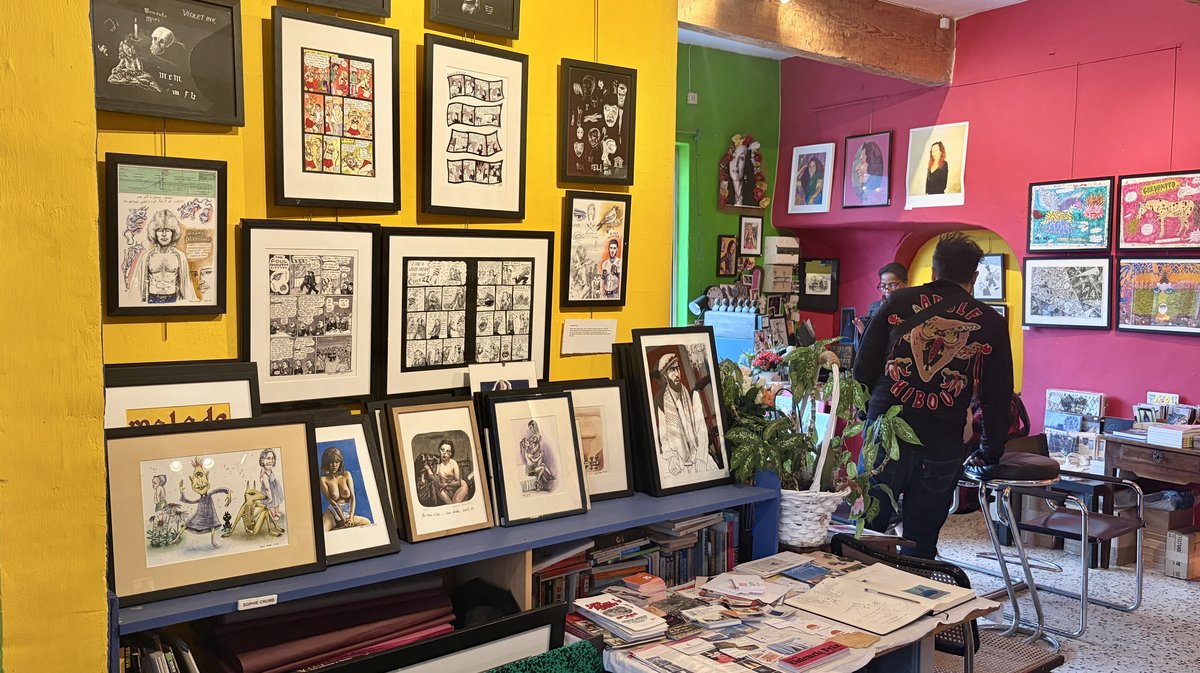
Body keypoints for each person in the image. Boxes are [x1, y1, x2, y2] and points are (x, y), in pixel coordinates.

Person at [853, 233, 1013, 559]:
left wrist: (866, 415)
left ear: (933, 271)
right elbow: (998, 396)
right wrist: (989, 451)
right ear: (975, 277)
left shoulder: (896, 302)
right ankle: (916, 588)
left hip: (885, 433)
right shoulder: (992, 322)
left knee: (865, 535)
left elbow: (863, 366)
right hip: (941, 442)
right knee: (921, 543)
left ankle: (859, 590)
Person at [653, 352, 720, 475]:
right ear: (665, 376)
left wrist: (700, 458)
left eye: (677, 368)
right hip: (679, 464)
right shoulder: (662, 404)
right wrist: (671, 457)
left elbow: (701, 430)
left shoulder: (693, 396)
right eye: (672, 370)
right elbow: (664, 437)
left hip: (700, 457)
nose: (677, 373)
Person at [130, 210, 198, 304]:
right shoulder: (147, 256)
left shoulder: (179, 256)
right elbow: (138, 288)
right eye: (160, 230)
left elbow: (186, 287)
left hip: (173, 300)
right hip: (152, 299)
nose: (164, 234)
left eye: (168, 230)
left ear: (173, 233)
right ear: (154, 233)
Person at [320, 446, 371, 529]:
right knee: (323, 529)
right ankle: (337, 525)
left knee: (367, 522)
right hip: (333, 512)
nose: (334, 465)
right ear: (326, 463)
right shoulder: (323, 479)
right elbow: (332, 502)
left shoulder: (347, 475)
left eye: (337, 462)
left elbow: (353, 497)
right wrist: (343, 519)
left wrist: (351, 517)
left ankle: (339, 526)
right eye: (331, 462)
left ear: (341, 462)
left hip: (348, 512)